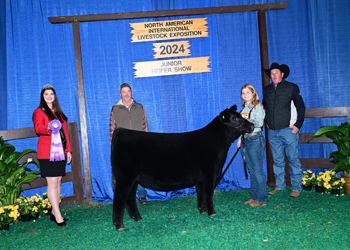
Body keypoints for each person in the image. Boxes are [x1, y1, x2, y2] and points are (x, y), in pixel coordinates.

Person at [263, 62, 306, 198]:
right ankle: (280, 186)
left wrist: (298, 125)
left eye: (276, 73)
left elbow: (301, 107)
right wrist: (266, 121)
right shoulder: (267, 89)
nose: (274, 75)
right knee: (277, 161)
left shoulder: (292, 88)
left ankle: (296, 187)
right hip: (273, 132)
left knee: (293, 159)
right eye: (271, 73)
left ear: (282, 74)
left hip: (288, 130)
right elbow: (264, 107)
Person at [33, 84, 72, 226]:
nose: (49, 96)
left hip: (60, 151)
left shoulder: (59, 113)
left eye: (51, 94)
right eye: (46, 94)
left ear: (54, 96)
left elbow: (65, 134)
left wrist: (69, 150)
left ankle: (55, 211)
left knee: (59, 180)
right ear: (42, 97)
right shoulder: (39, 112)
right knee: (52, 182)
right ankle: (58, 215)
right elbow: (38, 129)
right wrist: (48, 127)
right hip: (46, 152)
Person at [109, 83, 149, 205]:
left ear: (131, 92)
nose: (126, 94)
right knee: (125, 173)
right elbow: (112, 129)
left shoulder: (139, 107)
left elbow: (145, 126)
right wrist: (114, 146)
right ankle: (125, 196)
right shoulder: (115, 109)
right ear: (120, 94)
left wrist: (148, 143)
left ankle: (142, 196)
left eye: (128, 91)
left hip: (139, 144)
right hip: (123, 147)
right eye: (124, 92)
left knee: (141, 171)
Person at [237, 84, 267, 207]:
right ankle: (254, 196)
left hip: (255, 138)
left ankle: (261, 199)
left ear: (253, 93)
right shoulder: (243, 109)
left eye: (248, 92)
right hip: (245, 139)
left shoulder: (258, 107)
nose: (245, 95)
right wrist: (240, 138)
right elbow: (241, 127)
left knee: (257, 170)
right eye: (243, 93)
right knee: (252, 170)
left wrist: (245, 120)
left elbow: (259, 122)